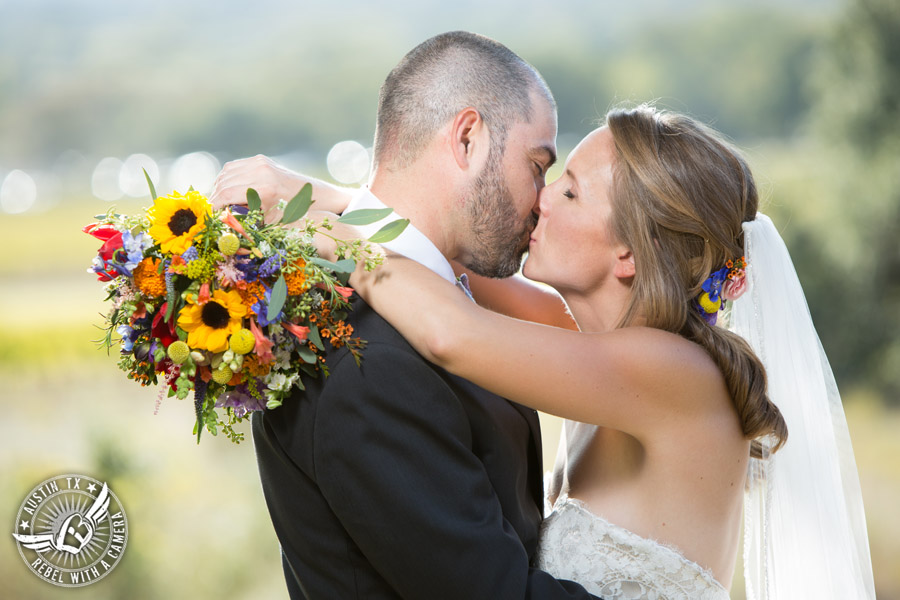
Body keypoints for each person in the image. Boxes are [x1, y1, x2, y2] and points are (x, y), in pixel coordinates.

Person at [282, 105, 875, 598]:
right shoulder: (590, 345)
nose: (540, 200)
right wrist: (335, 200)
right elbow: (443, 258)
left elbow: (450, 332)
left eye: (569, 192)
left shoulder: (672, 371)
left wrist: (327, 221)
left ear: (629, 254)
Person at [213, 31, 598, 599]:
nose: (542, 197)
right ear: (468, 138)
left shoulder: (442, 291)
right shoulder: (370, 361)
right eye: (537, 164)